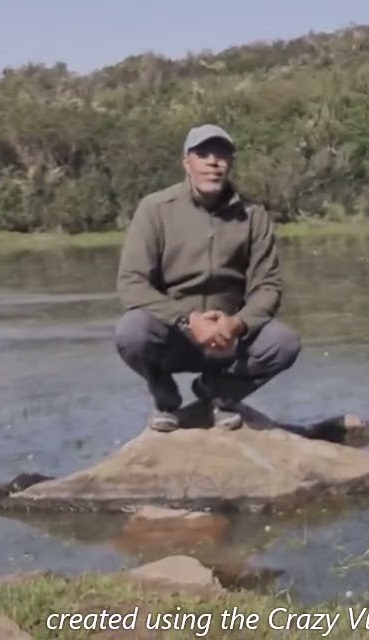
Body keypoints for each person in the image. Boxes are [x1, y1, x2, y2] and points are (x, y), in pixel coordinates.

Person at [113, 123, 302, 432]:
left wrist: (237, 323)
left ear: (231, 163)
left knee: (284, 343)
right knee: (131, 331)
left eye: (222, 155)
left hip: (227, 339)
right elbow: (132, 283)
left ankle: (219, 393)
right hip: (173, 335)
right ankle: (164, 395)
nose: (213, 162)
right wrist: (188, 320)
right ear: (186, 163)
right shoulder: (155, 209)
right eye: (203, 154)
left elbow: (268, 287)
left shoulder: (253, 215)